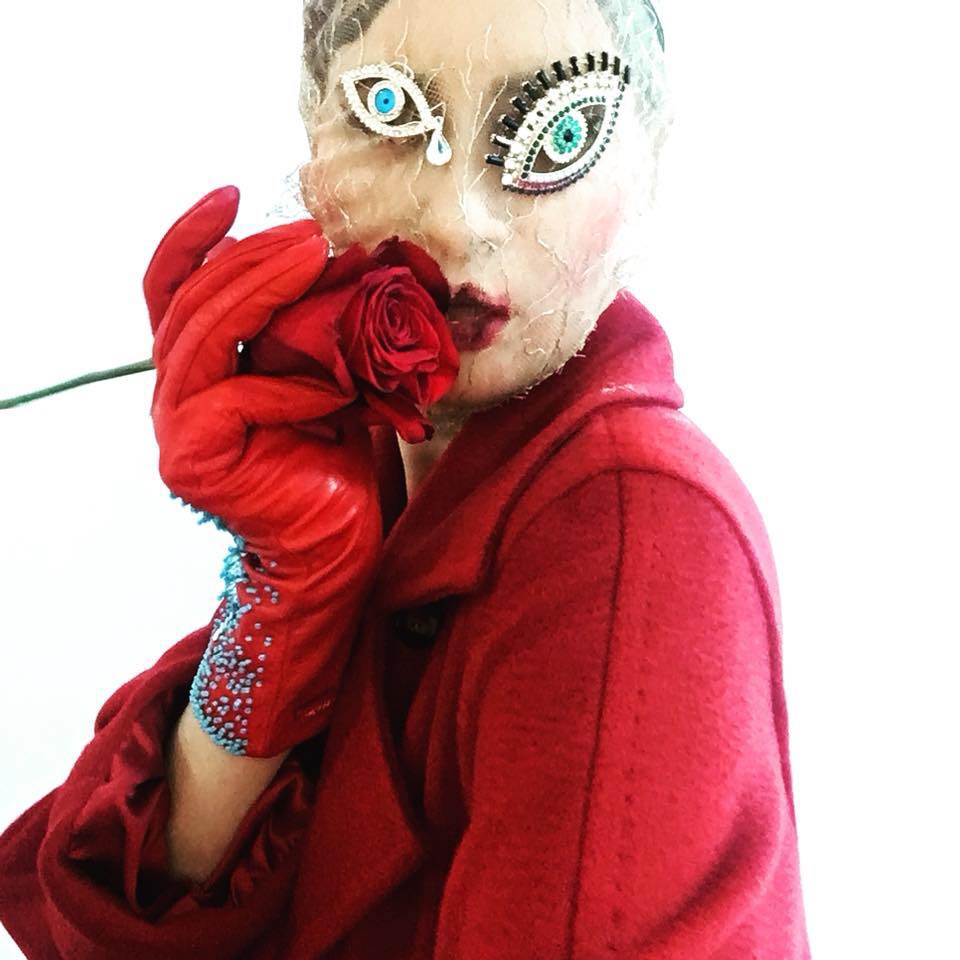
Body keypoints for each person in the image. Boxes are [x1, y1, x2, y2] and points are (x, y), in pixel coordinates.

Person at [0, 0, 811, 957]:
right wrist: (286, 590)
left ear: (649, 162)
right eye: (388, 111)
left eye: (560, 132)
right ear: (314, 139)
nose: (459, 225)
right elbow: (119, 923)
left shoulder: (637, 532)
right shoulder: (379, 483)